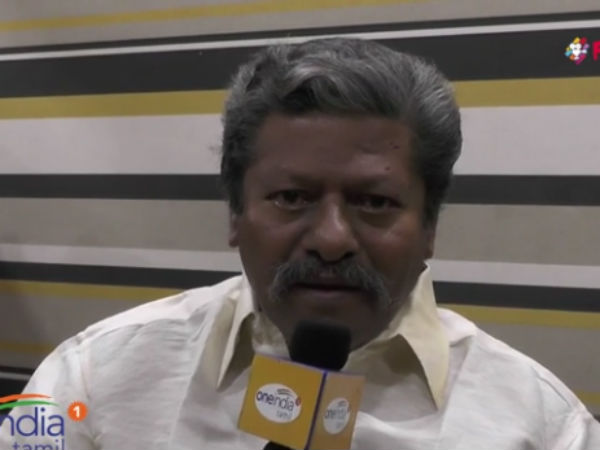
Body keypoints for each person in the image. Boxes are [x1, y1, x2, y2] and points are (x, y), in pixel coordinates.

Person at [1, 37, 598, 449]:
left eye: (374, 203)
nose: (332, 239)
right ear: (236, 213)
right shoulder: (91, 378)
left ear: (430, 228)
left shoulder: (543, 426)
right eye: (292, 197)